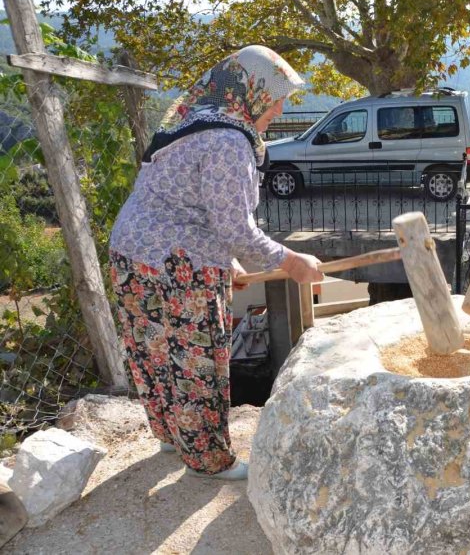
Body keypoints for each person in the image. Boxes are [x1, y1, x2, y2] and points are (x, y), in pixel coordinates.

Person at [109, 46, 323, 480]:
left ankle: (173, 436)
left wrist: (226, 262)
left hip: (132, 252)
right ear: (252, 92)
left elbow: (195, 204)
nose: (280, 108)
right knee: (196, 359)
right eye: (277, 96)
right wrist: (291, 261)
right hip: (178, 264)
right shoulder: (228, 140)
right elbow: (233, 227)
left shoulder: (196, 121)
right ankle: (206, 460)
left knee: (152, 351)